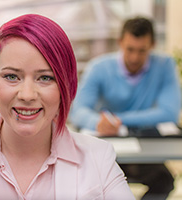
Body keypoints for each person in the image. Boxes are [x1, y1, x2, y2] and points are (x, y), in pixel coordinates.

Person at [0, 14, 135, 199]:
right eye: (12, 76)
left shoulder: (99, 158)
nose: (27, 95)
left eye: (45, 78)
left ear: (65, 85)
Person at [70, 16, 181, 200]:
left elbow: (169, 113)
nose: (135, 57)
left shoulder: (165, 65)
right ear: (120, 42)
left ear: (152, 45)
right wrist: (98, 122)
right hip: (109, 150)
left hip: (145, 151)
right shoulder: (99, 67)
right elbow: (78, 110)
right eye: (130, 49)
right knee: (94, 186)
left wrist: (118, 120)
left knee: (164, 181)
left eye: (142, 51)